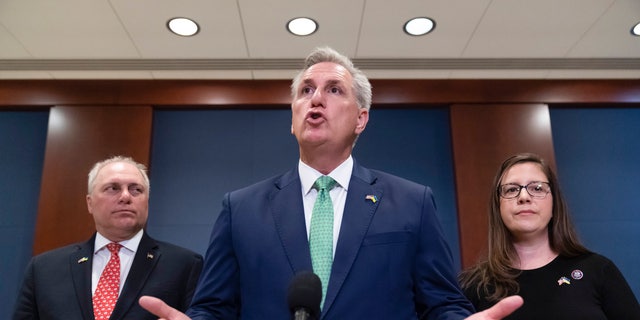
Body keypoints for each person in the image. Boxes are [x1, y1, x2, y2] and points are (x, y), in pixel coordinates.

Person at [139, 46, 523, 319]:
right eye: (306, 90)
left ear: (361, 118)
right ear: (293, 119)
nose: (316, 99)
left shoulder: (412, 202)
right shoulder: (239, 209)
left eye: (333, 90)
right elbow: (214, 308)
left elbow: (441, 304)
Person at [13, 156, 203, 320]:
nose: (126, 197)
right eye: (113, 188)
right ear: (90, 203)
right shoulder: (44, 269)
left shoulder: (185, 265)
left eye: (136, 189)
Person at [458, 153, 640, 319]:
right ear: (498, 208)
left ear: (554, 204)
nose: (524, 196)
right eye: (511, 190)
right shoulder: (473, 284)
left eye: (537, 188)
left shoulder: (598, 270)